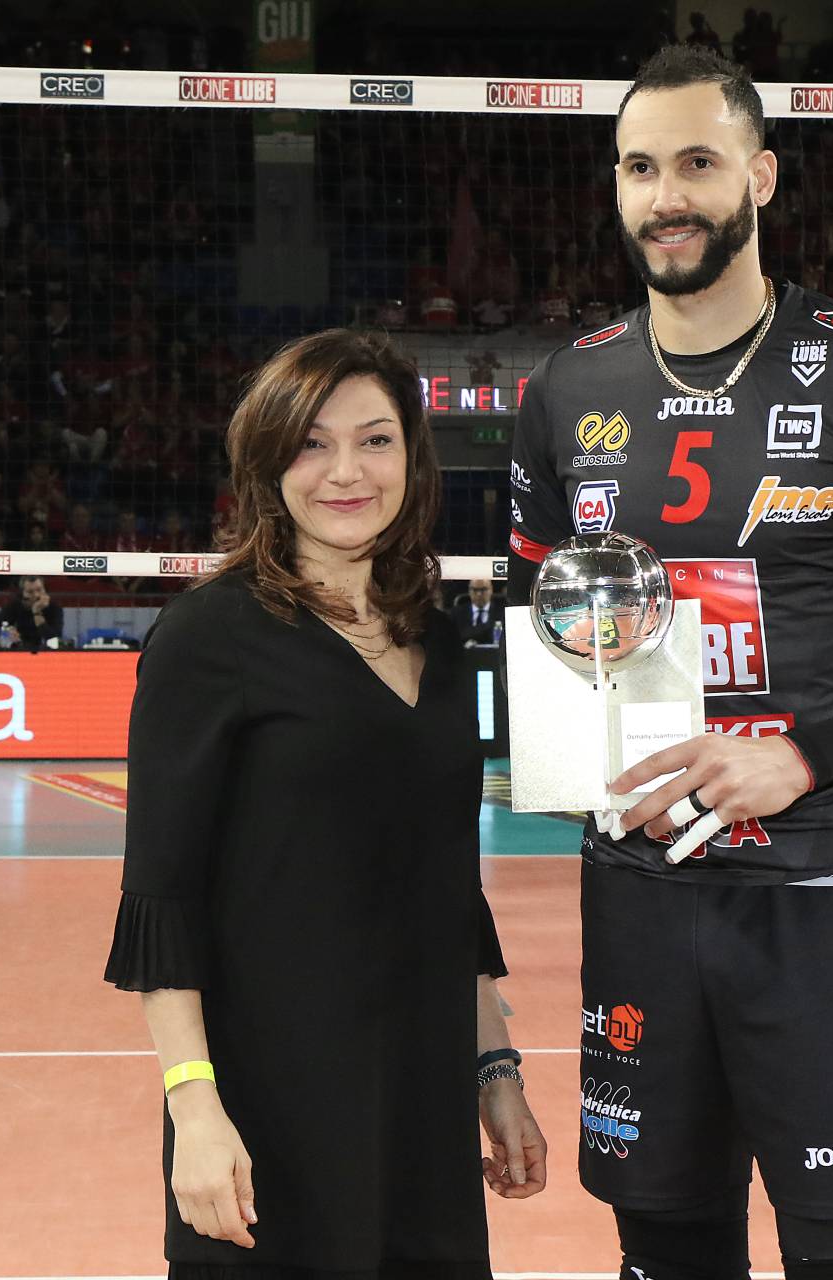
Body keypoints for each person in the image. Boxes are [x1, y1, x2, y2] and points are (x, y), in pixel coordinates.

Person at [506, 46, 833, 1280]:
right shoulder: (568, 387)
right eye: (639, 168)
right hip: (638, 891)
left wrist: (800, 757)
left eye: (697, 162)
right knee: (664, 1246)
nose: (666, 196)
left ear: (762, 175)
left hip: (821, 894)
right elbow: (542, 634)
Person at [105, 329, 546, 1272]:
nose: (347, 471)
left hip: (423, 1103)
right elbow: (161, 897)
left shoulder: (437, 640)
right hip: (273, 1105)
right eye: (312, 444)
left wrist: (495, 1072)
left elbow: (448, 887)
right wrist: (195, 1107)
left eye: (375, 440)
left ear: (412, 459)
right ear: (269, 465)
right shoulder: (208, 637)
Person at [0, 576, 65, 650]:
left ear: (45, 590)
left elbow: (55, 639)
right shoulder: (13, 606)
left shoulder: (54, 608)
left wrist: (37, 613)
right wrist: (5, 635)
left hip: (47, 653)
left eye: (39, 590)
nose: (36, 595)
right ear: (23, 594)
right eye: (30, 592)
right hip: (18, 652)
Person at [449, 578, 500, 646]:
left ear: (491, 590)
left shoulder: (502, 612)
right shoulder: (456, 613)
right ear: (469, 591)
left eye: (483, 589)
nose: (479, 594)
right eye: (474, 590)